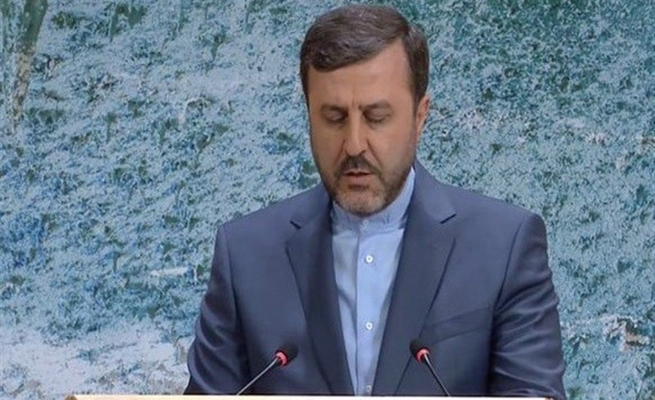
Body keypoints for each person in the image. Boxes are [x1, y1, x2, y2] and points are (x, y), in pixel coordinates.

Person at [185, 5, 566, 399]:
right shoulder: (245, 255)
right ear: (309, 117)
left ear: (420, 116)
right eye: (334, 118)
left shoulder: (504, 247)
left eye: (376, 117)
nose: (354, 144)